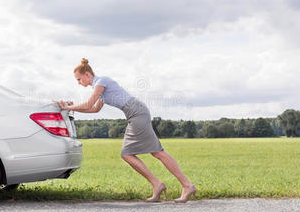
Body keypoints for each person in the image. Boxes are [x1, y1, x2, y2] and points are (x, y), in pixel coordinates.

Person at [54, 58, 197, 203]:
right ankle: (165, 185)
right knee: (152, 152)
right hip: (135, 113)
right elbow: (94, 109)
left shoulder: (101, 82)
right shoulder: (100, 88)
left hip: (137, 112)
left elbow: (88, 104)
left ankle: (179, 185)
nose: (78, 83)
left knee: (143, 153)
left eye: (79, 79)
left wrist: (67, 107)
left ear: (87, 74)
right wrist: (69, 109)